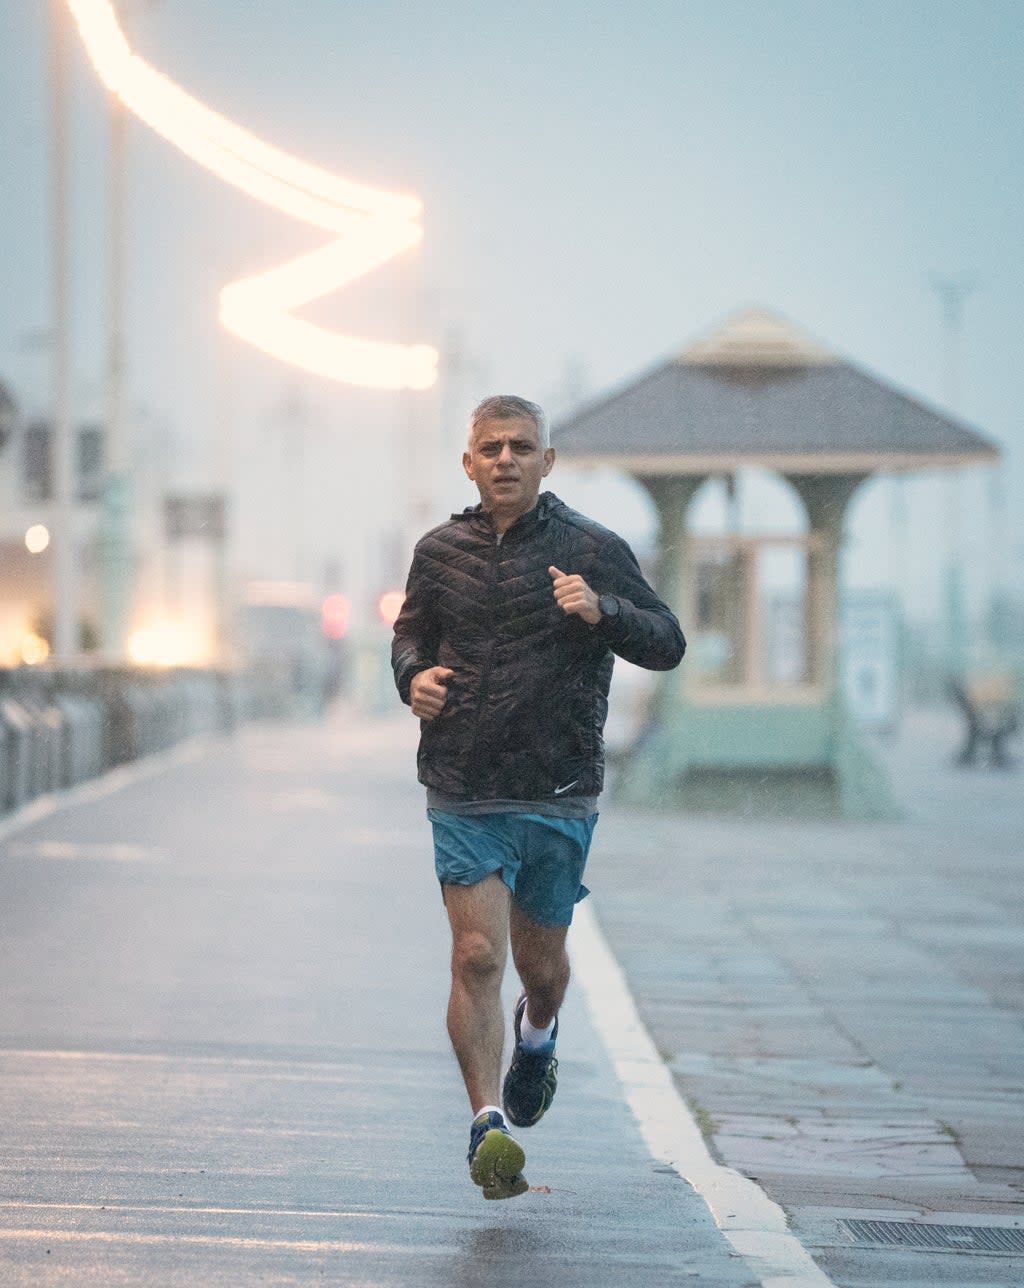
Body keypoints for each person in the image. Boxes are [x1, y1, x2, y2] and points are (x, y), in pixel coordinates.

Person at [392, 394, 685, 1199]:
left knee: (541, 968)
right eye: (491, 447)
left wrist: (604, 610)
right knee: (476, 955)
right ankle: (487, 1127)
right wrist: (412, 677)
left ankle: (540, 1033)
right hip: (462, 781)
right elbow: (410, 635)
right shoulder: (439, 549)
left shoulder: (593, 547)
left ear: (547, 461)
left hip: (557, 787)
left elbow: (667, 643)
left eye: (522, 446)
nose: (506, 460)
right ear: (468, 460)